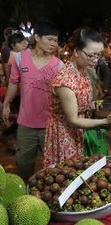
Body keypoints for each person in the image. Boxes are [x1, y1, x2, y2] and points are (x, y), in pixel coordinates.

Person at [43, 27, 111, 168]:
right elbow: (73, 120)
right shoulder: (65, 81)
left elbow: (78, 103)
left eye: (98, 55)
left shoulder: (83, 70)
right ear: (76, 51)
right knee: (67, 174)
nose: (95, 60)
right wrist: (106, 121)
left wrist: (91, 105)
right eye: (91, 55)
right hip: (64, 134)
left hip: (79, 131)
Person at [1, 20, 64, 181]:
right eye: (49, 39)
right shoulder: (20, 59)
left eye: (56, 40)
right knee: (23, 164)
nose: (53, 44)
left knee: (53, 168)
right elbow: (14, 83)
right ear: (36, 37)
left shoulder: (59, 65)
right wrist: (7, 103)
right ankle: (25, 197)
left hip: (50, 125)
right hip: (26, 124)